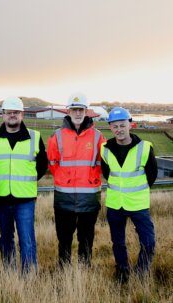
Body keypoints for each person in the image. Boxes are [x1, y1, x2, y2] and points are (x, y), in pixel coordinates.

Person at [0, 97, 47, 273]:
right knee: (5, 238)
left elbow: (42, 166)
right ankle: (9, 272)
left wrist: (27, 181)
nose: (12, 115)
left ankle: (29, 274)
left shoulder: (35, 137)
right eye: (9, 112)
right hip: (0, 197)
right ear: (3, 115)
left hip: (25, 198)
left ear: (22, 114)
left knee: (26, 238)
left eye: (16, 112)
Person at [47, 93, 105, 266]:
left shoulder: (98, 137)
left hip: (89, 199)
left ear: (86, 111)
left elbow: (103, 163)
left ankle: (84, 270)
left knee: (86, 239)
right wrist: (65, 180)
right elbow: (52, 164)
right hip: (64, 198)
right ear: (68, 111)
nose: (78, 113)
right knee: (64, 239)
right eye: (74, 109)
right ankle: (64, 271)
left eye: (81, 109)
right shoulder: (56, 136)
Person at [101, 107, 157, 283]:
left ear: (130, 125)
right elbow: (106, 173)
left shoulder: (145, 148)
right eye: (115, 126)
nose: (119, 129)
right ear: (110, 127)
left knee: (148, 242)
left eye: (122, 125)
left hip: (138, 205)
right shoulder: (105, 149)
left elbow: (152, 175)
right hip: (115, 204)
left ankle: (141, 274)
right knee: (118, 243)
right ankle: (123, 272)